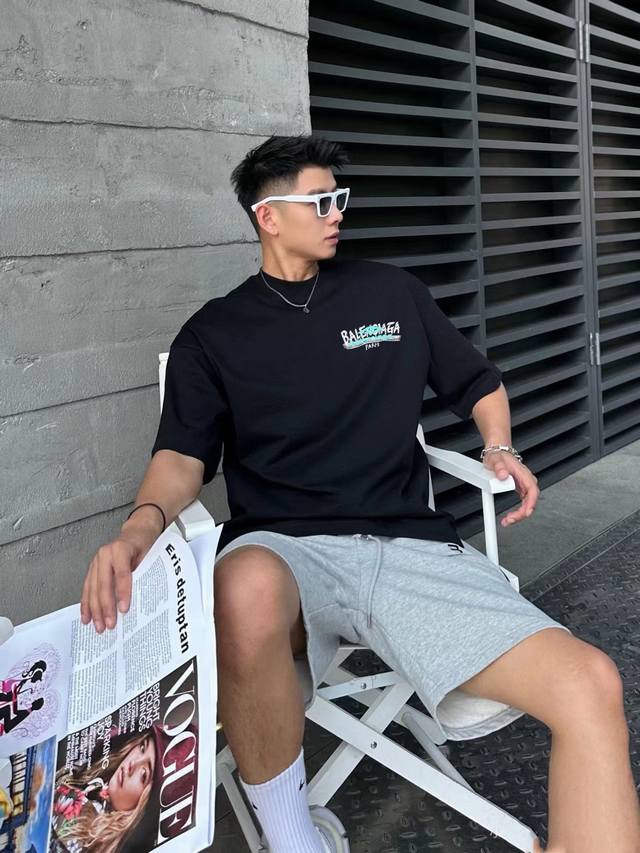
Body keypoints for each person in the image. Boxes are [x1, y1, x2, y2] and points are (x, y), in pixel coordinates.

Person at [80, 135, 640, 853]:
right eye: (320, 201)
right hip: (288, 554)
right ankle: (294, 838)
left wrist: (499, 444)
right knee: (242, 581)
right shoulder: (212, 335)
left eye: (338, 199)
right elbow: (181, 459)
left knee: (591, 682)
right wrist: (135, 534)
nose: (337, 213)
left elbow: (479, 383)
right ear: (268, 216)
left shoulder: (390, 294)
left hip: (409, 545)